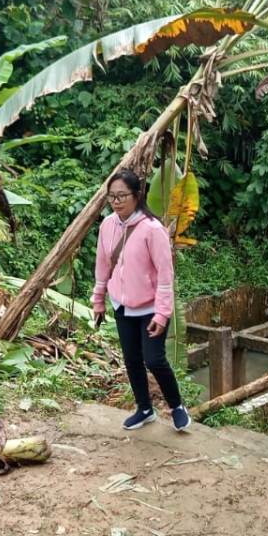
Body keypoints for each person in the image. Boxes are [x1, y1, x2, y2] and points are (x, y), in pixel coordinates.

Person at [92, 169, 191, 432]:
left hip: (150, 307)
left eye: (122, 195)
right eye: (112, 196)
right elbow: (103, 264)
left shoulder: (152, 229)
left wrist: (162, 313)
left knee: (154, 359)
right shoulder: (107, 226)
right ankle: (144, 409)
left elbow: (165, 274)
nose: (116, 201)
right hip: (121, 305)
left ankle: (177, 406)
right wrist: (98, 300)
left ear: (137, 195)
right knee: (132, 359)